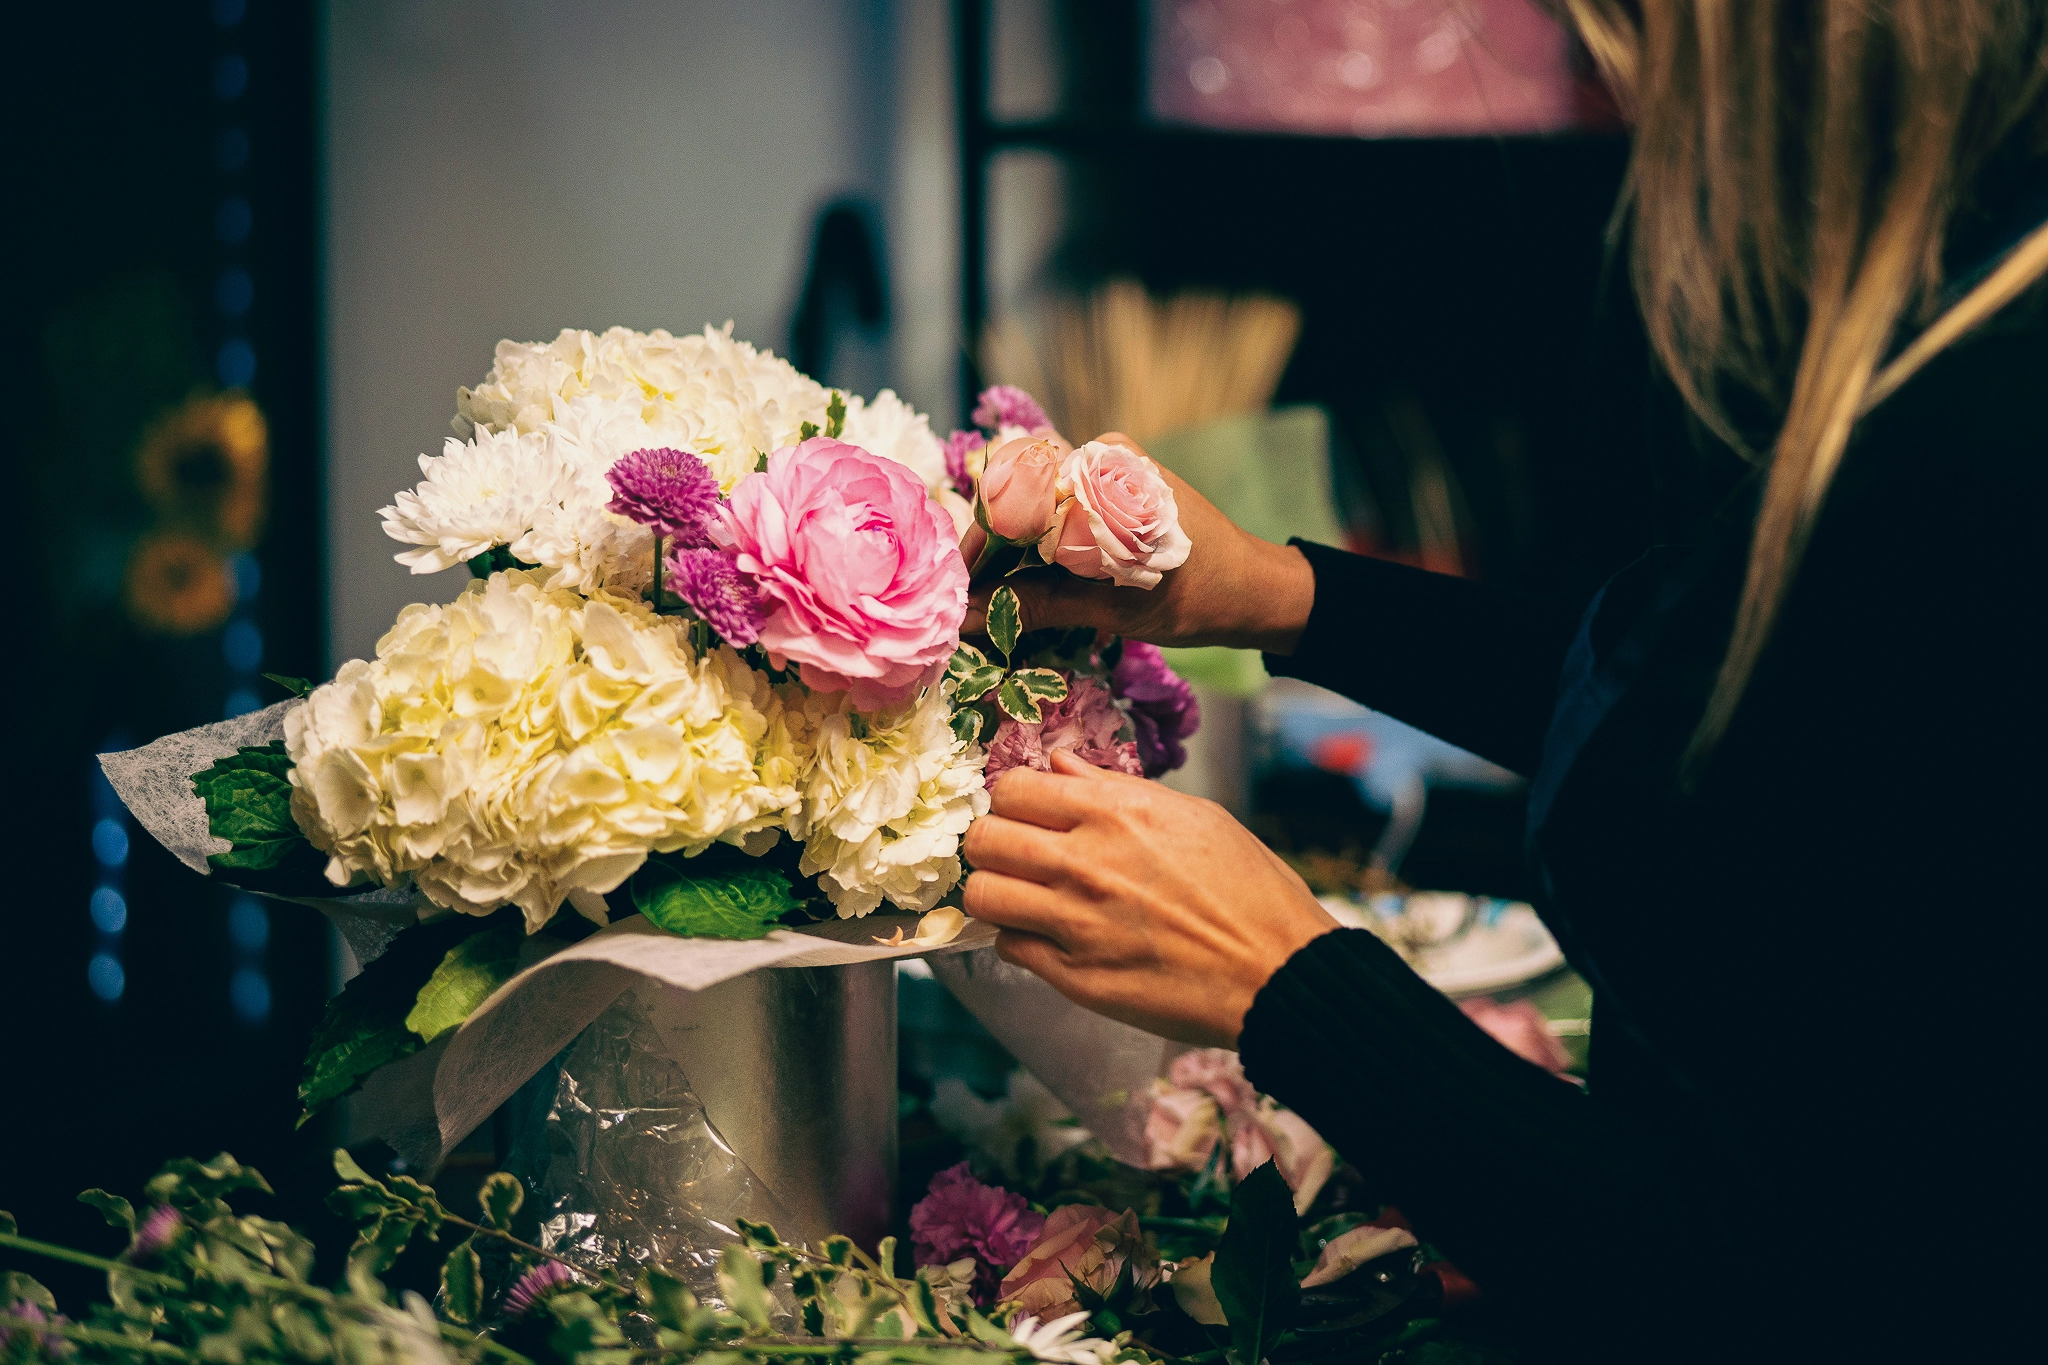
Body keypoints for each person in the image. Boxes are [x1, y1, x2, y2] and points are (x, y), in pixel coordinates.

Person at [958, 3, 2048, 1359]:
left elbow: (1809, 1276)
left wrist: (1287, 978)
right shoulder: (1945, 334)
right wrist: (1280, 594)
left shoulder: (1988, 446)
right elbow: (1742, 728)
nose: (1597, 80)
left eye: (1637, 30)